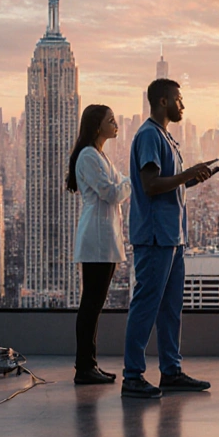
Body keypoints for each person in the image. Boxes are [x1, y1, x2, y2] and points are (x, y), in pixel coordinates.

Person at [123, 78, 217, 399]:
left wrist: (193, 177)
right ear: (162, 101)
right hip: (154, 236)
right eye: (178, 99)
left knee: (170, 309)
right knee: (146, 306)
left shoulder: (166, 137)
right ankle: (133, 376)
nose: (183, 105)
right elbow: (151, 185)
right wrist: (187, 173)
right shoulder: (149, 135)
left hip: (172, 237)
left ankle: (171, 371)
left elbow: (169, 184)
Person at [68, 104, 131, 385]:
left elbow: (117, 189)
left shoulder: (101, 156)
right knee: (91, 305)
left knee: (94, 304)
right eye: (111, 120)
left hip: (104, 237)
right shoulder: (88, 156)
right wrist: (133, 182)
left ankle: (88, 364)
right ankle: (84, 366)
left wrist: (127, 183)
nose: (116, 124)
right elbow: (112, 193)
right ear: (97, 126)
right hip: (96, 237)